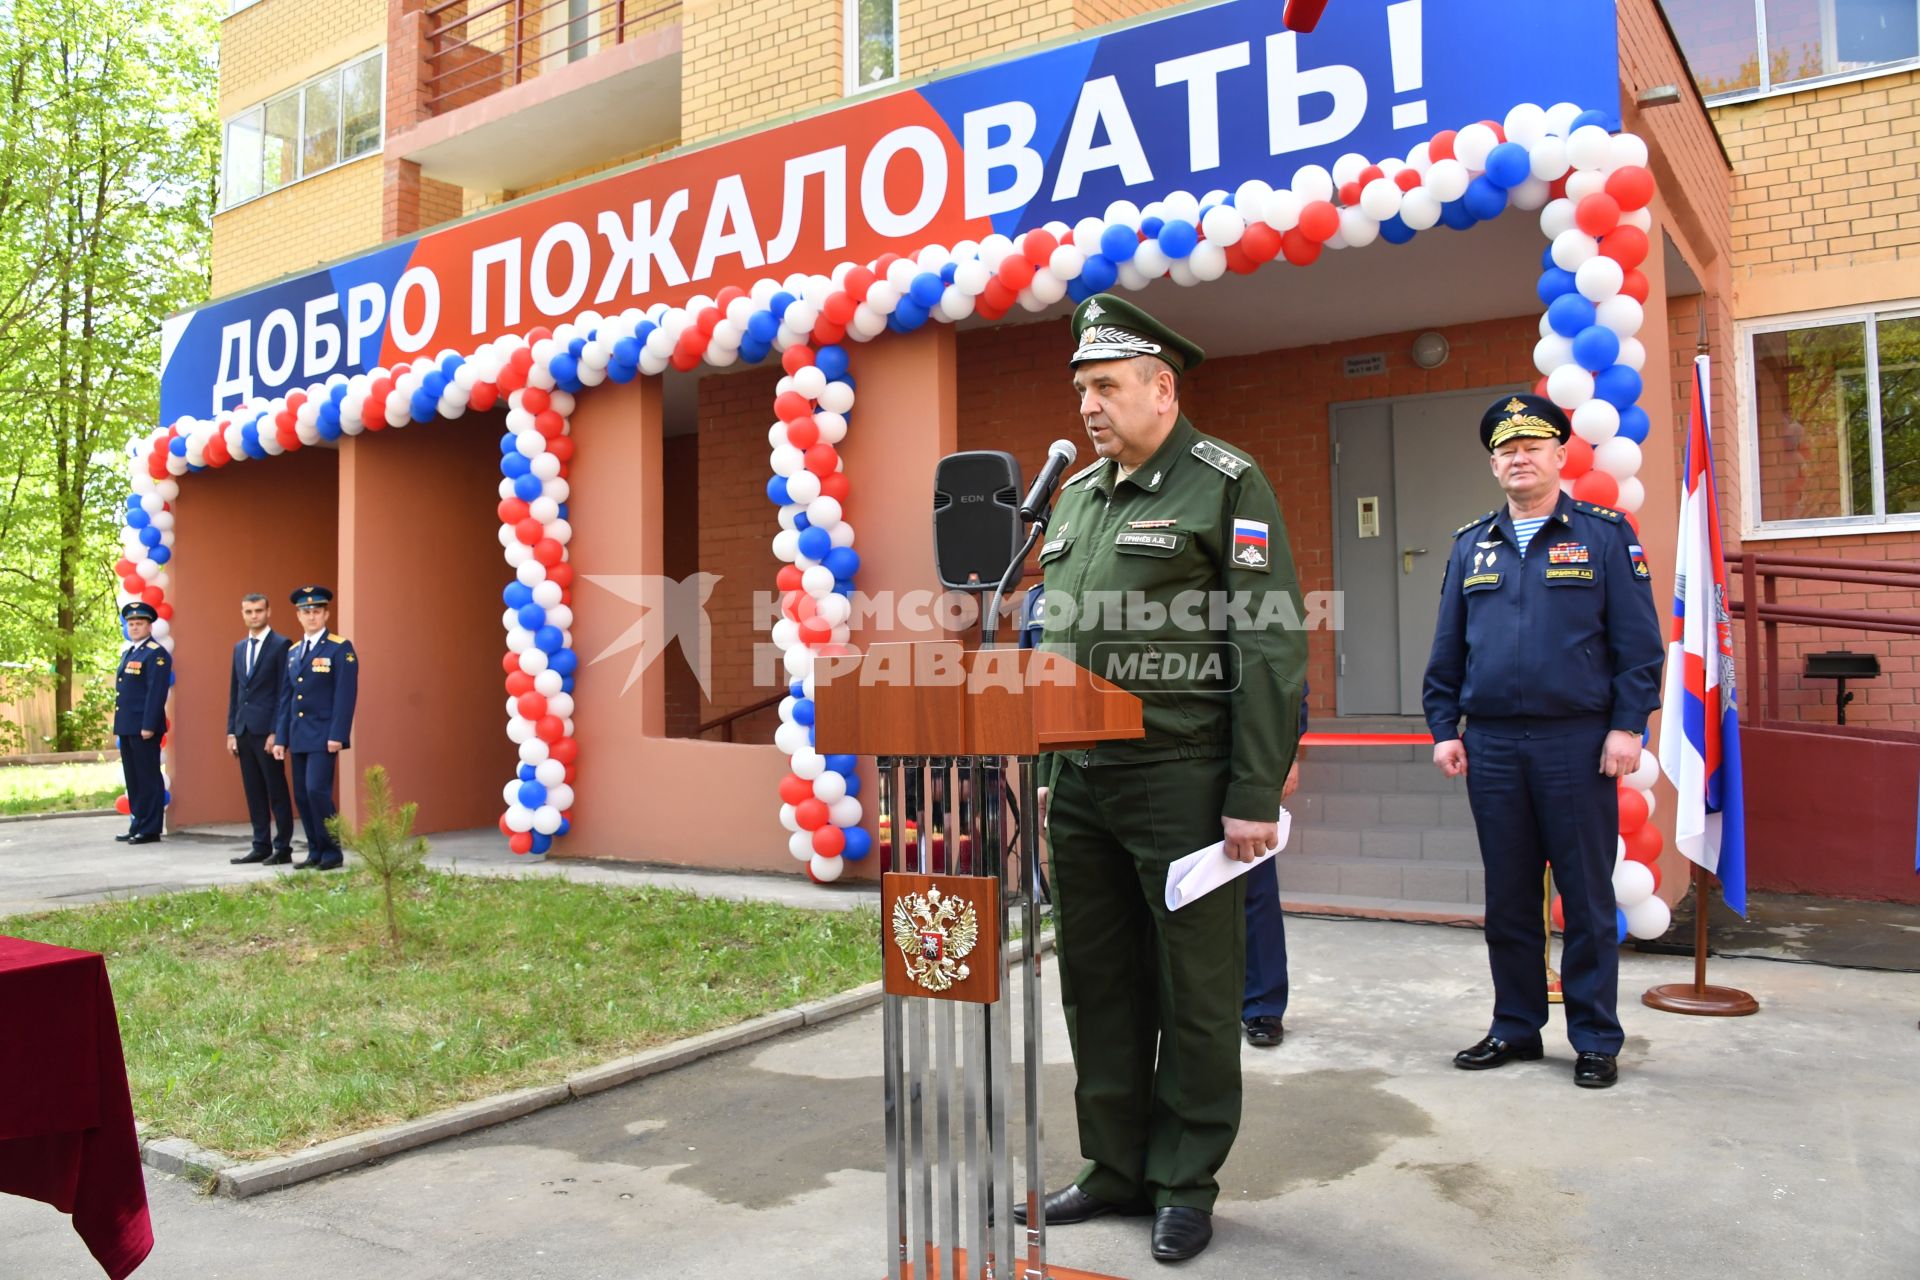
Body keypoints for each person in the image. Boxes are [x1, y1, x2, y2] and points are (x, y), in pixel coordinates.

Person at [1020, 294, 1307, 1263]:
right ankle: (1112, 1163)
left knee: (1194, 987)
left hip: (1182, 777)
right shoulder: (1076, 500)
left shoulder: (1225, 483)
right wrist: (1056, 771)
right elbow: (1060, 642)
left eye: (1106, 386)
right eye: (1081, 389)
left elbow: (1267, 645)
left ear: (1162, 387)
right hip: (1085, 785)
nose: (1090, 406)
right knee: (1096, 982)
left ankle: (1185, 1177)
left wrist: (1253, 789)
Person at [1421, 394, 1663, 1090]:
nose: (1518, 457)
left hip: (1577, 742)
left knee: (1585, 897)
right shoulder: (1474, 544)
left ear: (1561, 455)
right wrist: (1444, 729)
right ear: (1493, 463)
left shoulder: (1604, 535)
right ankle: (1515, 1026)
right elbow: (1447, 650)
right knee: (1509, 896)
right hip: (1492, 745)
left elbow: (1638, 647)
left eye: (1532, 446)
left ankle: (1593, 1037)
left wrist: (1626, 725)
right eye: (1505, 449)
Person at [272, 586, 358, 871]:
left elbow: (345, 696)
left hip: (323, 734)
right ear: (298, 616)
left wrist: (338, 734)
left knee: (317, 791)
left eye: (316, 612)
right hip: (298, 735)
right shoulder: (295, 652)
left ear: (326, 614)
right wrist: (281, 738)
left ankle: (332, 851)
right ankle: (315, 850)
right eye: (306, 612)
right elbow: (286, 698)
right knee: (302, 795)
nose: (311, 617)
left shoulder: (339, 648)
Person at [1241, 684, 1308, 1048]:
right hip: (1163, 765)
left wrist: (1288, 757)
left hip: (1246, 758)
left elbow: (1288, 682)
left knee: (1255, 883)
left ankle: (1262, 1004)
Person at [227, 593, 294, 865]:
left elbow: (283, 691)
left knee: (275, 789)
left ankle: (283, 847)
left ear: (268, 612)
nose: (253, 615)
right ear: (242, 614)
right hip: (243, 730)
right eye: (248, 611)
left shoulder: (281, 645)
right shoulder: (239, 647)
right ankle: (260, 844)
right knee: (253, 790)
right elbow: (235, 691)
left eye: (258, 610)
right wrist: (231, 730)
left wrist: (276, 731)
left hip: (267, 732)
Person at [112, 602, 170, 845]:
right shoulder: (129, 652)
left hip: (144, 727)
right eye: (131, 624)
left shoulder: (156, 654)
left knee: (147, 778)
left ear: (149, 626)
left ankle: (150, 828)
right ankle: (137, 822)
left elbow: (155, 693)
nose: (134, 627)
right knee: (133, 778)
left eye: (139, 623)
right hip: (127, 725)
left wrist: (148, 725)